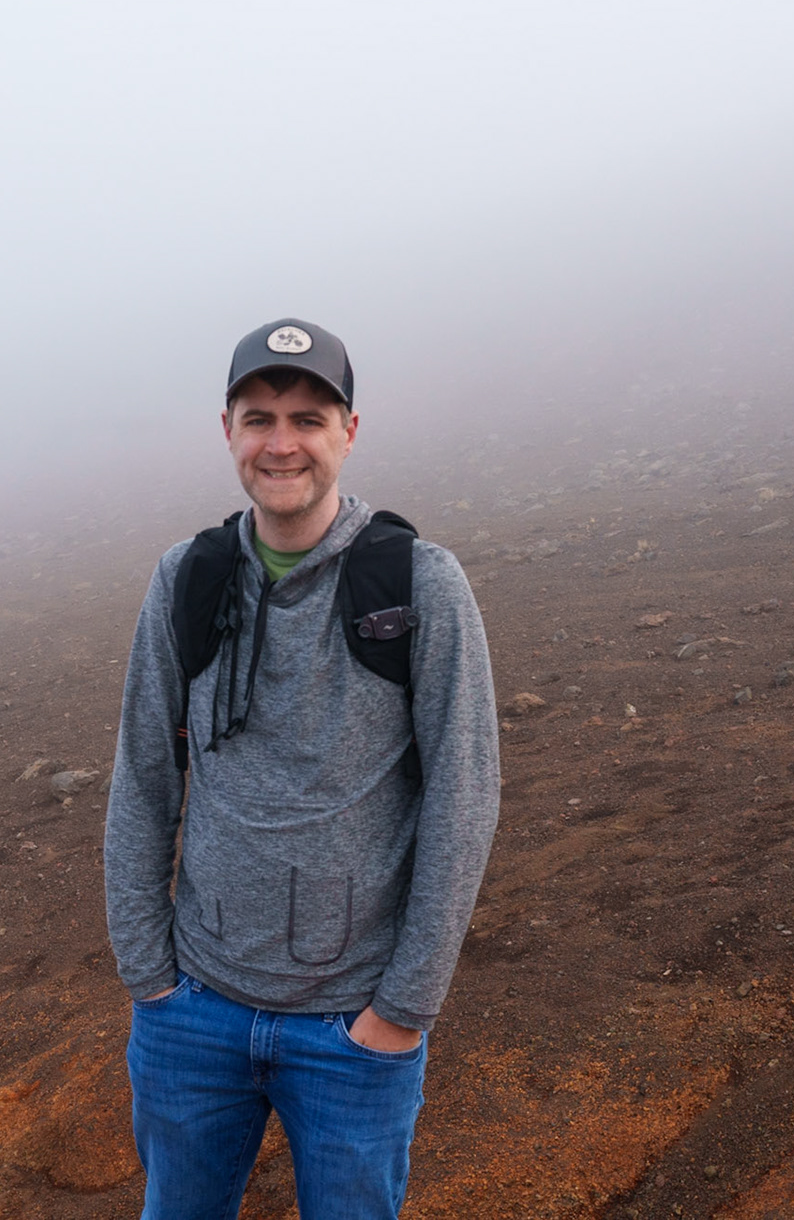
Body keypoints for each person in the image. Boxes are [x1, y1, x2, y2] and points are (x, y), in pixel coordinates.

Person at [103, 317, 500, 1219]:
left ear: (348, 432)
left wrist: (401, 1011)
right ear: (228, 430)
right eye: (259, 418)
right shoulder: (186, 579)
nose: (281, 444)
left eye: (308, 420)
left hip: (353, 1033)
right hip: (191, 1015)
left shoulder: (422, 585)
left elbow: (465, 798)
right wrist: (150, 982)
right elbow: (143, 780)